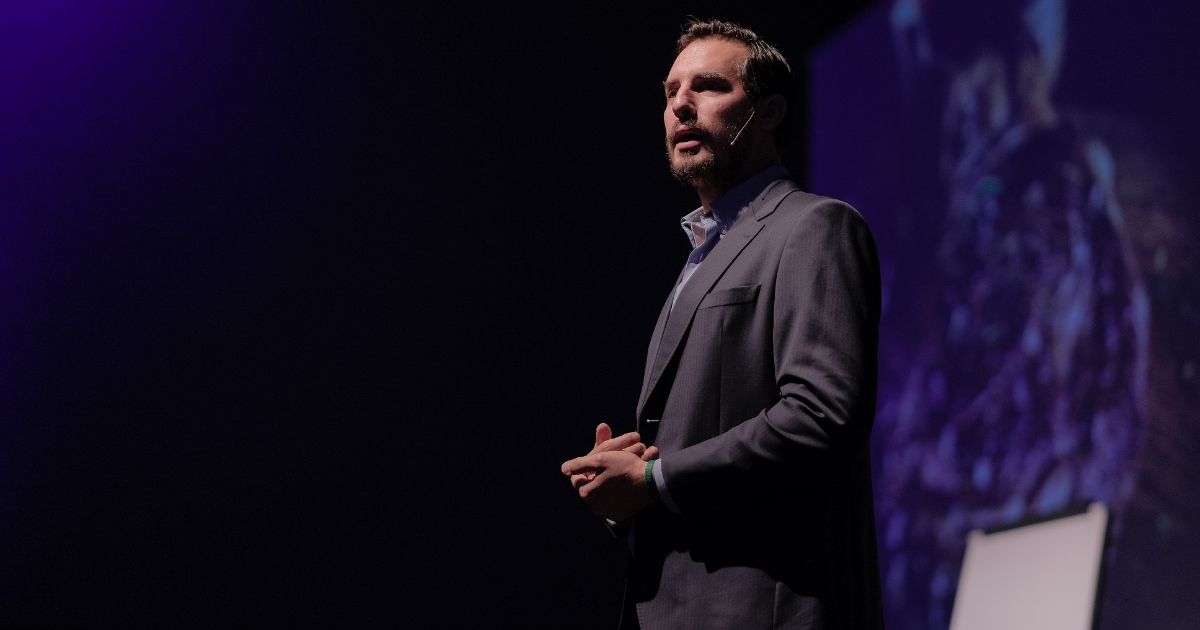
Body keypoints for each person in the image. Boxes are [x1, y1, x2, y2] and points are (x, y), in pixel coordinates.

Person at [561, 19, 884, 629]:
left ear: (769, 112)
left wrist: (654, 478)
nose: (681, 105)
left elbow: (820, 416)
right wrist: (625, 491)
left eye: (708, 86)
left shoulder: (814, 227)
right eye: (670, 91)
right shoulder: (700, 256)